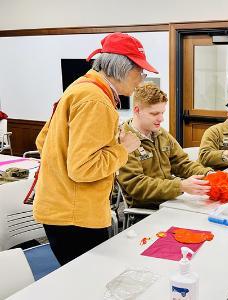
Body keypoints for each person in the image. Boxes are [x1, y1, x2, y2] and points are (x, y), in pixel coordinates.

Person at [33, 32, 157, 265]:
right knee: (87, 282)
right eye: (140, 71)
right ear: (122, 68)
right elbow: (82, 169)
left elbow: (43, 141)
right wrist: (122, 149)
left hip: (59, 209)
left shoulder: (80, 87)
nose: (141, 79)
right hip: (76, 216)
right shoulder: (96, 101)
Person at [117, 83, 212, 209]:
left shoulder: (161, 133)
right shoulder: (124, 140)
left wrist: (208, 174)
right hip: (147, 209)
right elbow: (137, 186)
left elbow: (182, 163)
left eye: (162, 112)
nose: (161, 118)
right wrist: (180, 186)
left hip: (171, 200)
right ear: (137, 110)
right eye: (154, 113)